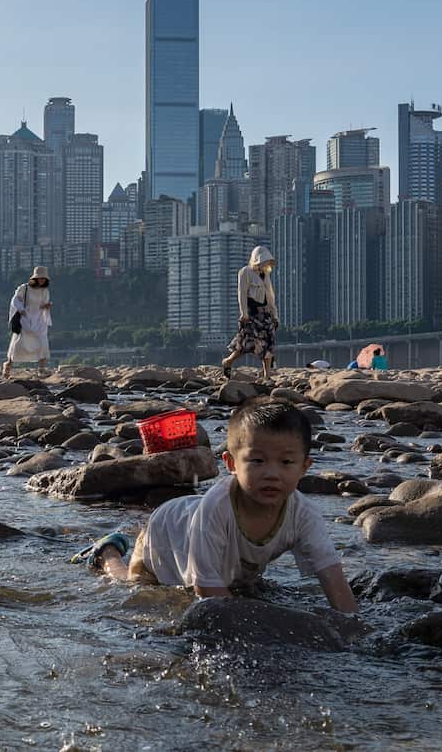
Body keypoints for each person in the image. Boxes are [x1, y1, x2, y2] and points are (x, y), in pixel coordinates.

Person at [72, 399, 357, 613]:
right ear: (231, 464)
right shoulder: (216, 511)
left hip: (201, 535)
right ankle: (108, 553)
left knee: (240, 586)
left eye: (286, 462)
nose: (272, 473)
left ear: (305, 467)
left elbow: (333, 578)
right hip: (167, 532)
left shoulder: (303, 515)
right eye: (257, 461)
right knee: (135, 588)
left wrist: (352, 633)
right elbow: (206, 590)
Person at [222, 246, 279, 379]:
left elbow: (270, 297)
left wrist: (275, 316)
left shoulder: (265, 275)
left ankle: (267, 375)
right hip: (251, 314)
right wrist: (244, 314)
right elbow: (241, 294)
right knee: (244, 344)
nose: (266, 263)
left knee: (268, 343)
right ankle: (228, 362)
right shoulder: (245, 272)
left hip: (265, 315)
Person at [2, 266, 53, 378]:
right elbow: (15, 299)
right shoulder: (24, 288)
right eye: (40, 278)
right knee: (18, 342)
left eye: (44, 278)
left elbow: (43, 304)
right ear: (35, 278)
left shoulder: (45, 290)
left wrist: (47, 306)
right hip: (25, 319)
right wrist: (21, 309)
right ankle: (8, 366)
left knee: (43, 342)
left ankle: (42, 369)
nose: (42, 280)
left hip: (39, 320)